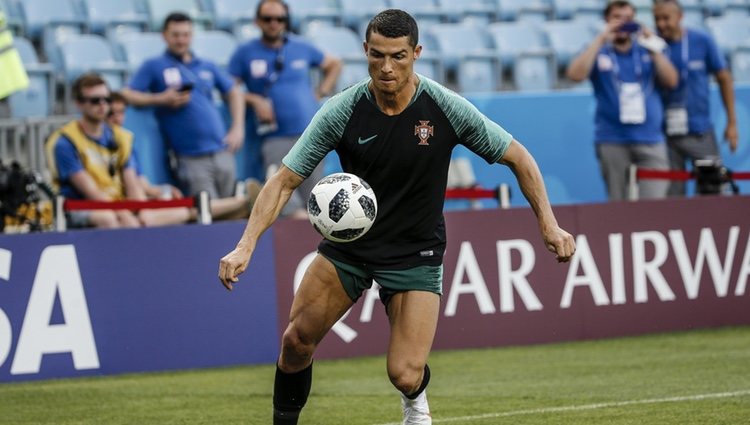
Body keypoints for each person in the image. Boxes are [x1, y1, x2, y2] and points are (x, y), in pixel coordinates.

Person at [218, 9, 576, 425]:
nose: (386, 67)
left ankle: (415, 403)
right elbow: (283, 181)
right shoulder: (342, 110)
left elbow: (519, 157)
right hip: (349, 249)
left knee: (404, 374)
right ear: (365, 52)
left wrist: (548, 224)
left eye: (398, 56)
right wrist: (246, 245)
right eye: (377, 56)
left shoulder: (445, 107)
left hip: (415, 252)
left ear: (416, 53)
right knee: (296, 342)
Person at [228, 0, 342, 218]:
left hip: (311, 134)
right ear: (257, 21)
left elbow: (334, 64)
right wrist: (253, 99)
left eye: (279, 19)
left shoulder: (301, 46)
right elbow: (228, 89)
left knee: (315, 195)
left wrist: (320, 92)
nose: (274, 24)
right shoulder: (245, 52)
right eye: (268, 19)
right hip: (275, 136)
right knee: (280, 191)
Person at [121, 12, 245, 199]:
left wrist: (237, 128)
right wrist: (160, 99)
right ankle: (246, 203)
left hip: (222, 150)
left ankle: (244, 203)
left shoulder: (206, 65)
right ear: (165, 36)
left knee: (227, 207)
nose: (181, 40)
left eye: (185, 35)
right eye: (176, 35)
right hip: (190, 156)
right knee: (207, 210)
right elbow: (126, 93)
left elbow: (234, 91)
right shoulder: (154, 65)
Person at [566, 0, 679, 201]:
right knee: (618, 204)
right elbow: (575, 74)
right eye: (616, 18)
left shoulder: (647, 49)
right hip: (612, 138)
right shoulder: (598, 49)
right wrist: (601, 38)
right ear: (606, 21)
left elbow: (671, 81)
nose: (622, 24)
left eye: (627, 19)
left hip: (650, 138)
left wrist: (653, 47)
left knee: (653, 203)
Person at [107, 91, 259, 225]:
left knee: (188, 208)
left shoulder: (125, 141)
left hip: (139, 206)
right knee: (189, 211)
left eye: (121, 112)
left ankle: (243, 205)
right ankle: (243, 203)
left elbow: (141, 184)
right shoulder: (101, 143)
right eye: (112, 113)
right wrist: (140, 208)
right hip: (124, 210)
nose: (117, 118)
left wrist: (162, 190)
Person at [652, 0, 739, 195]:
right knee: (671, 196)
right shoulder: (652, 46)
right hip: (664, 135)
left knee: (712, 190)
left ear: (680, 16)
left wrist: (732, 122)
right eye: (657, 19)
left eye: (666, 18)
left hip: (699, 130)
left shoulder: (702, 40)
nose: (661, 24)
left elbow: (724, 78)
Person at [45, 73, 149, 228]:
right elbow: (90, 191)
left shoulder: (121, 137)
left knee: (159, 215)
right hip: (79, 206)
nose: (102, 105)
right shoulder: (66, 142)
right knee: (108, 218)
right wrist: (123, 213)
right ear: (79, 104)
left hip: (117, 204)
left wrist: (140, 213)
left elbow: (132, 185)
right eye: (95, 101)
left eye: (106, 100)